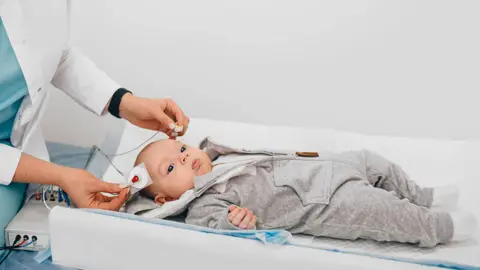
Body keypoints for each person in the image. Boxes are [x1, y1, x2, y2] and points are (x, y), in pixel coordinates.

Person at [0, 0, 189, 254]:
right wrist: (61, 176)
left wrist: (123, 102)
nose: (186, 156)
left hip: (18, 150)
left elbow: (56, 53)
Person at [130, 138, 478, 248]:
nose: (184, 158)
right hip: (325, 203)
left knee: (373, 161)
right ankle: (443, 227)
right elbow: (214, 227)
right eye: (171, 169)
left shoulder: (220, 153)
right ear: (165, 199)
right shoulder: (204, 203)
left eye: (180, 149)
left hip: (328, 166)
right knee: (384, 212)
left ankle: (422, 194)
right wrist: (236, 223)